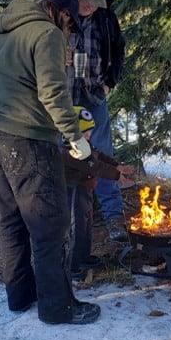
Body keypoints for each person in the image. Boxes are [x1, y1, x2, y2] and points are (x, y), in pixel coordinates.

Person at [0, 0, 101, 325]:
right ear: (60, 12)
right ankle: (58, 307)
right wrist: (74, 136)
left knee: (12, 221)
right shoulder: (46, 32)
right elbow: (52, 92)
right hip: (29, 142)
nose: (68, 36)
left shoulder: (1, 31)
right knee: (50, 225)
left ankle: (20, 297)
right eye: (69, 25)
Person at [66, 0, 128, 243]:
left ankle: (113, 215)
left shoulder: (106, 18)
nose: (92, 8)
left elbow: (118, 50)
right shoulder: (60, 16)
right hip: (64, 98)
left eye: (98, 3)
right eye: (89, 2)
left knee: (102, 151)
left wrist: (109, 83)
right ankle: (70, 215)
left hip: (95, 96)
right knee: (67, 153)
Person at [63, 106, 135, 281]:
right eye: (85, 132)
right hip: (73, 191)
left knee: (86, 225)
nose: (88, 135)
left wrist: (116, 164)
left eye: (90, 131)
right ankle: (72, 267)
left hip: (86, 189)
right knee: (76, 227)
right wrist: (117, 176)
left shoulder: (84, 143)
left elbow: (99, 156)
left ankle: (84, 257)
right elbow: (95, 166)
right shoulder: (71, 149)